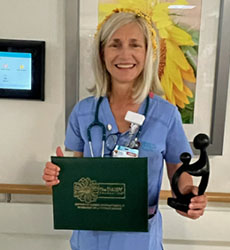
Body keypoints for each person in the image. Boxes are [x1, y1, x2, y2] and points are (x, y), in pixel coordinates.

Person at [43, 8, 207, 250]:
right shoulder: (83, 112)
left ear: (148, 52)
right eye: (115, 44)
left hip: (140, 241)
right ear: (102, 52)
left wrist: (189, 198)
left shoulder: (166, 114)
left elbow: (179, 175)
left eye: (135, 45)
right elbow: (77, 172)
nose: (125, 54)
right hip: (89, 239)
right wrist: (58, 176)